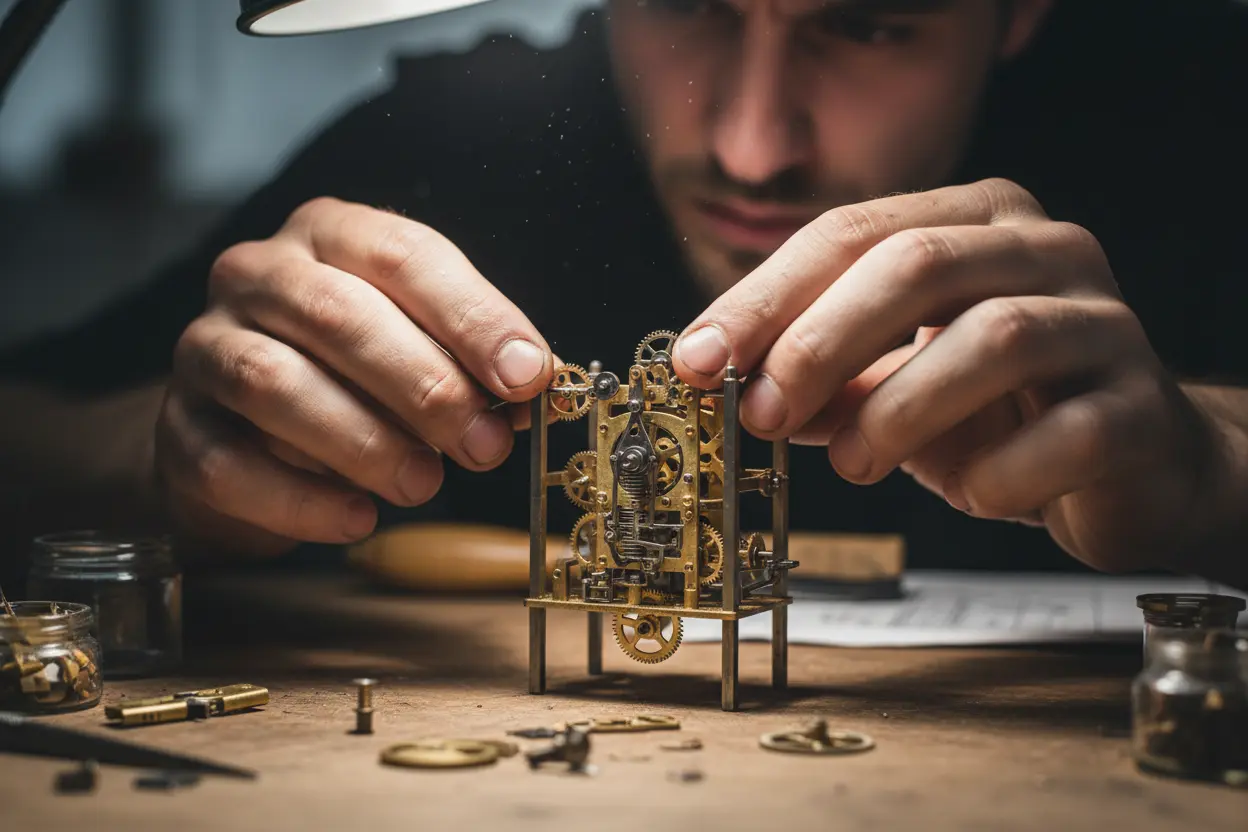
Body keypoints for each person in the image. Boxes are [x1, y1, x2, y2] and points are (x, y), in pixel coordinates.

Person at [1, 0, 1245, 589]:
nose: (752, 147)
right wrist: (167, 461)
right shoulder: (452, 139)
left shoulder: (1203, 119)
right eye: (686, 3)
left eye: (867, 25)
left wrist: (1218, 479)